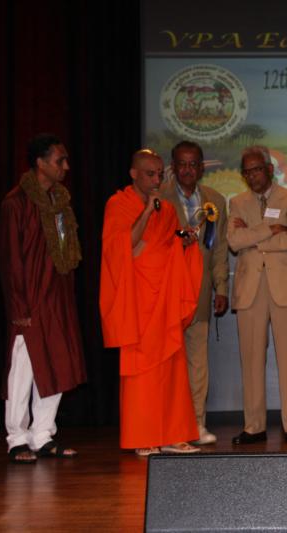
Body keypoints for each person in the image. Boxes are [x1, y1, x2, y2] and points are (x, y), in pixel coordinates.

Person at [100, 148, 203, 456]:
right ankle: (142, 436)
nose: (156, 180)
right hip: (137, 300)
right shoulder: (118, 204)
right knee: (142, 371)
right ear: (133, 174)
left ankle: (173, 435)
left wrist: (184, 243)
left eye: (159, 174)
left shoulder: (167, 209)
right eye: (150, 174)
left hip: (164, 297)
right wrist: (146, 212)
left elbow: (166, 245)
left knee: (171, 367)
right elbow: (123, 247)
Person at [0, 133, 87, 464]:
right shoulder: (16, 203)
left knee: (58, 366)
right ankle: (17, 438)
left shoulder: (60, 201)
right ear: (40, 163)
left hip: (57, 298)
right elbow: (10, 260)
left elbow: (66, 252)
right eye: (59, 160)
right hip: (30, 299)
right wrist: (19, 306)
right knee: (23, 370)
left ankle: (42, 435)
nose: (66, 166)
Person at [228, 145, 287, 446]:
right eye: (246, 171)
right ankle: (254, 426)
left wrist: (254, 237)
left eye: (256, 170)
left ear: (269, 169)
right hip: (250, 288)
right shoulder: (237, 202)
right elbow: (234, 241)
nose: (252, 176)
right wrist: (270, 229)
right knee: (251, 360)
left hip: (286, 286)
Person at [160, 141, 228, 445]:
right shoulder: (159, 197)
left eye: (193, 164)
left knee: (198, 363)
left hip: (199, 291)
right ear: (173, 167)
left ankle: (197, 424)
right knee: (169, 364)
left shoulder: (216, 200)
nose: (187, 170)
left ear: (201, 167)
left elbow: (219, 249)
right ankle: (167, 426)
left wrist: (221, 287)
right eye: (182, 164)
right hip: (166, 293)